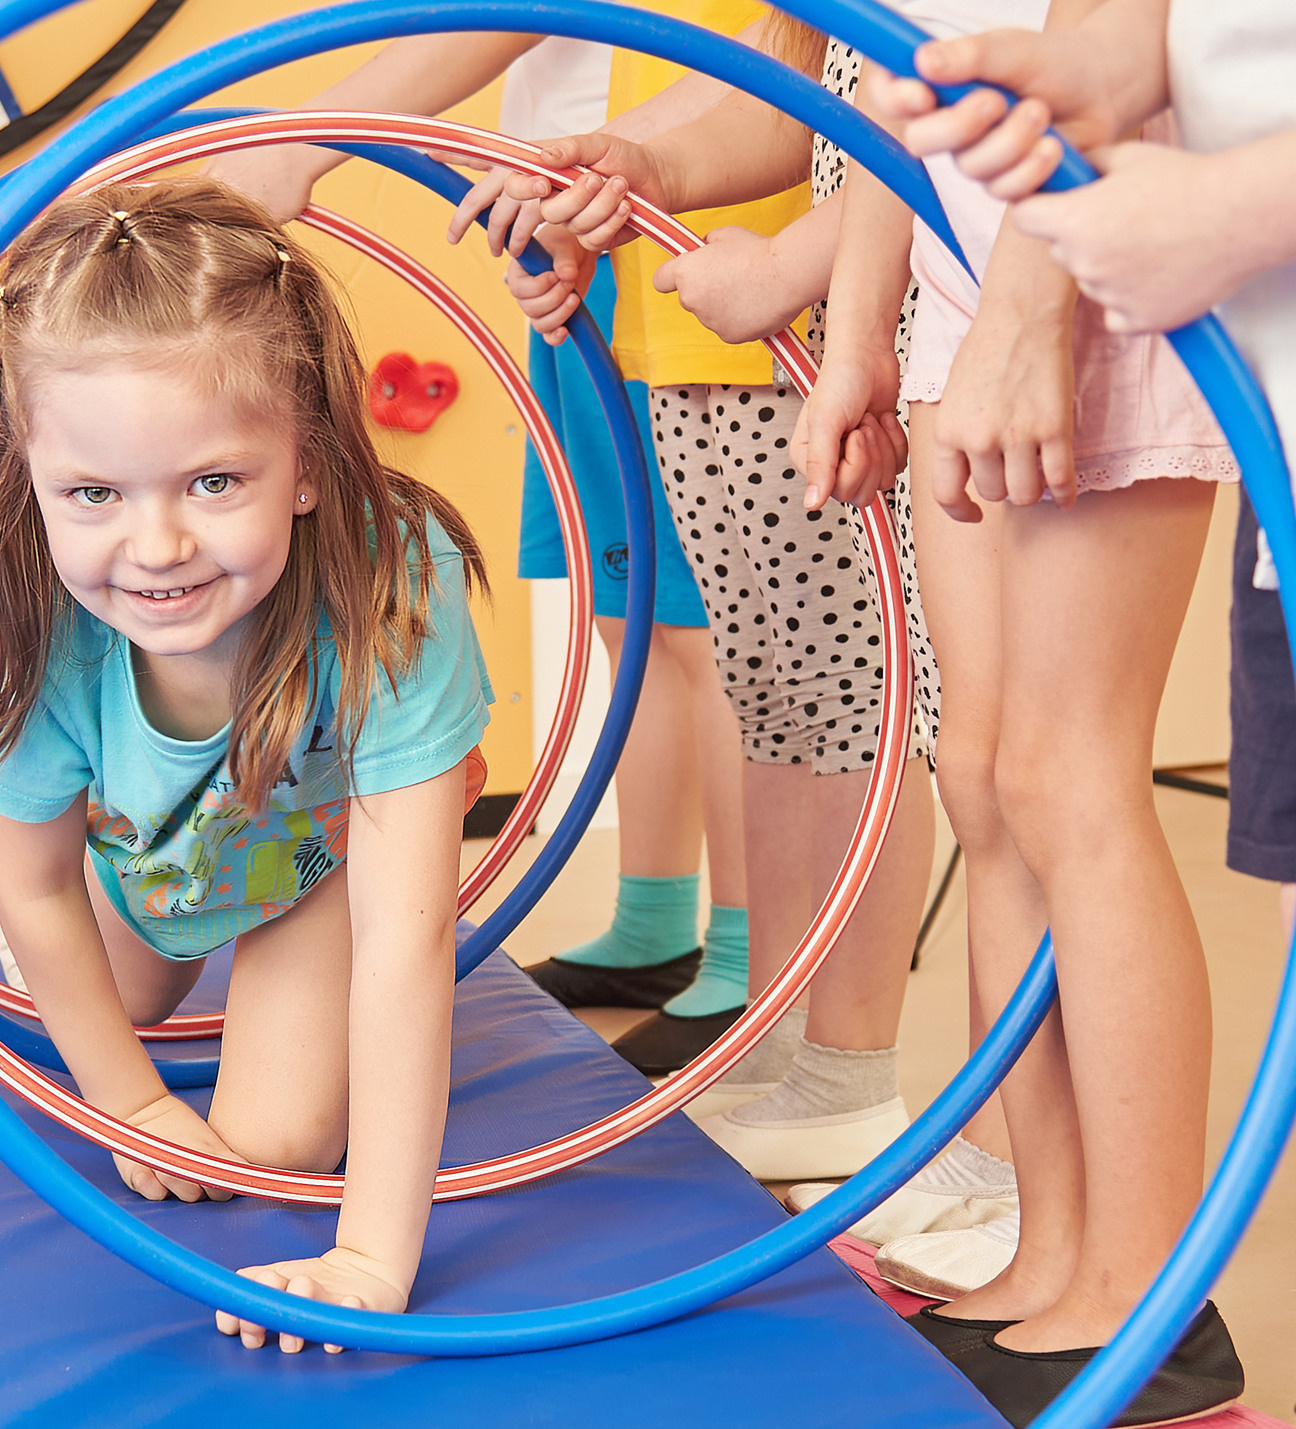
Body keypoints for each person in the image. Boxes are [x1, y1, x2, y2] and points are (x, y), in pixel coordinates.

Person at [0, 178, 493, 1352]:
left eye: (212, 481)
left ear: (304, 463)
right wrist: (131, 1104)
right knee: (88, 1005)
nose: (155, 546)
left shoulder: (392, 576)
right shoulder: (35, 619)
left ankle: (264, 978)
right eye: (92, 493)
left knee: (271, 1146)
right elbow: (32, 885)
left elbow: (409, 940)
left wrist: (367, 1259)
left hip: (322, 861)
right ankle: (158, 975)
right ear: (29, 484)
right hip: (148, 860)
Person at [796, 0, 1248, 1417]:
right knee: (983, 781)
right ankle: (1055, 1242)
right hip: (963, 271)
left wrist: (1029, 308)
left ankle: (1151, 1280)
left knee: (1070, 778)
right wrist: (865, 325)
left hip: (1087, 253)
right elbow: (888, 64)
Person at [451, 12, 943, 1183]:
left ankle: (844, 1066)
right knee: (772, 706)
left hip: (817, 346)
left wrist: (790, 276)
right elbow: (778, 99)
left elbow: (918, 139)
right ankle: (780, 1038)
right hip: (708, 334)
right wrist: (636, 168)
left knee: (849, 720)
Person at [205, 25, 755, 1036]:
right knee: (625, 607)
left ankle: (744, 949)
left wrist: (299, 145)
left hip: (672, 223)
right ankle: (654, 918)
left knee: (701, 630)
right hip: (579, 224)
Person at [867, 0, 1296, 955]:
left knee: (1060, 782)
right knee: (986, 779)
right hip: (977, 293)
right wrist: (1099, 71)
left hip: (1104, 299)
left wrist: (1214, 204)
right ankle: (1001, 1116)